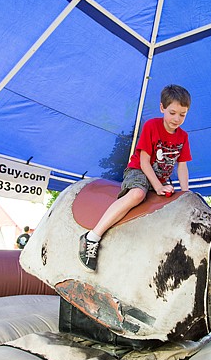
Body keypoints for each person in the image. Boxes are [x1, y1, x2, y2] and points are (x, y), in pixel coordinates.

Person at [79, 84, 192, 272]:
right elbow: (145, 162)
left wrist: (186, 193)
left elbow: (182, 166)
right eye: (172, 113)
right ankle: (92, 237)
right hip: (139, 171)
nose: (177, 119)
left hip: (161, 180)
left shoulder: (183, 136)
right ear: (162, 108)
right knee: (137, 195)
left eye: (182, 114)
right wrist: (157, 186)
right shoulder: (152, 126)